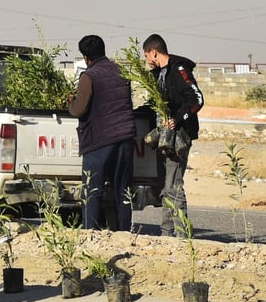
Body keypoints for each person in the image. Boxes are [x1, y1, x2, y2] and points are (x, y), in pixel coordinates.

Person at [66, 35, 136, 231]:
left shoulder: (89, 76)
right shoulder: (121, 71)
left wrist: (70, 101)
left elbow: (79, 110)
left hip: (100, 141)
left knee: (92, 191)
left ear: (86, 57)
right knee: (123, 191)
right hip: (125, 138)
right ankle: (124, 233)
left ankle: (90, 234)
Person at [142, 33, 203, 237]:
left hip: (179, 136)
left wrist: (177, 119)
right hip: (166, 137)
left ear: (154, 52)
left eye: (146, 56)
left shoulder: (178, 69)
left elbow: (196, 99)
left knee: (174, 184)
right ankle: (167, 233)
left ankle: (182, 234)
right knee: (167, 184)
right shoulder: (160, 73)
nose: (147, 61)